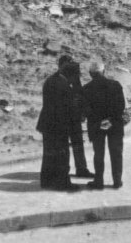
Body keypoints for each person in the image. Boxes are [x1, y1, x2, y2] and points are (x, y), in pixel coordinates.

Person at [81, 59, 126, 190]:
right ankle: (117, 180)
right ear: (104, 71)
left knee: (98, 154)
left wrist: (100, 121)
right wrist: (110, 120)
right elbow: (121, 106)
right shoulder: (115, 85)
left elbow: (86, 110)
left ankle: (99, 181)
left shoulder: (86, 89)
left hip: (96, 125)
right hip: (115, 124)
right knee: (116, 153)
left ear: (90, 74)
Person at [36, 55, 79, 191]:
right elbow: (65, 108)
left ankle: (47, 181)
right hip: (58, 125)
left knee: (49, 154)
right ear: (70, 75)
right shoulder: (64, 86)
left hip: (47, 123)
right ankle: (62, 183)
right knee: (62, 155)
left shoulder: (51, 80)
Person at [58, 56, 94, 180]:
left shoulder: (72, 76)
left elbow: (79, 93)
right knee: (64, 145)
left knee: (77, 143)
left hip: (74, 116)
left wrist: (82, 111)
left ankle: (81, 169)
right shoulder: (57, 80)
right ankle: (65, 170)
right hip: (64, 116)